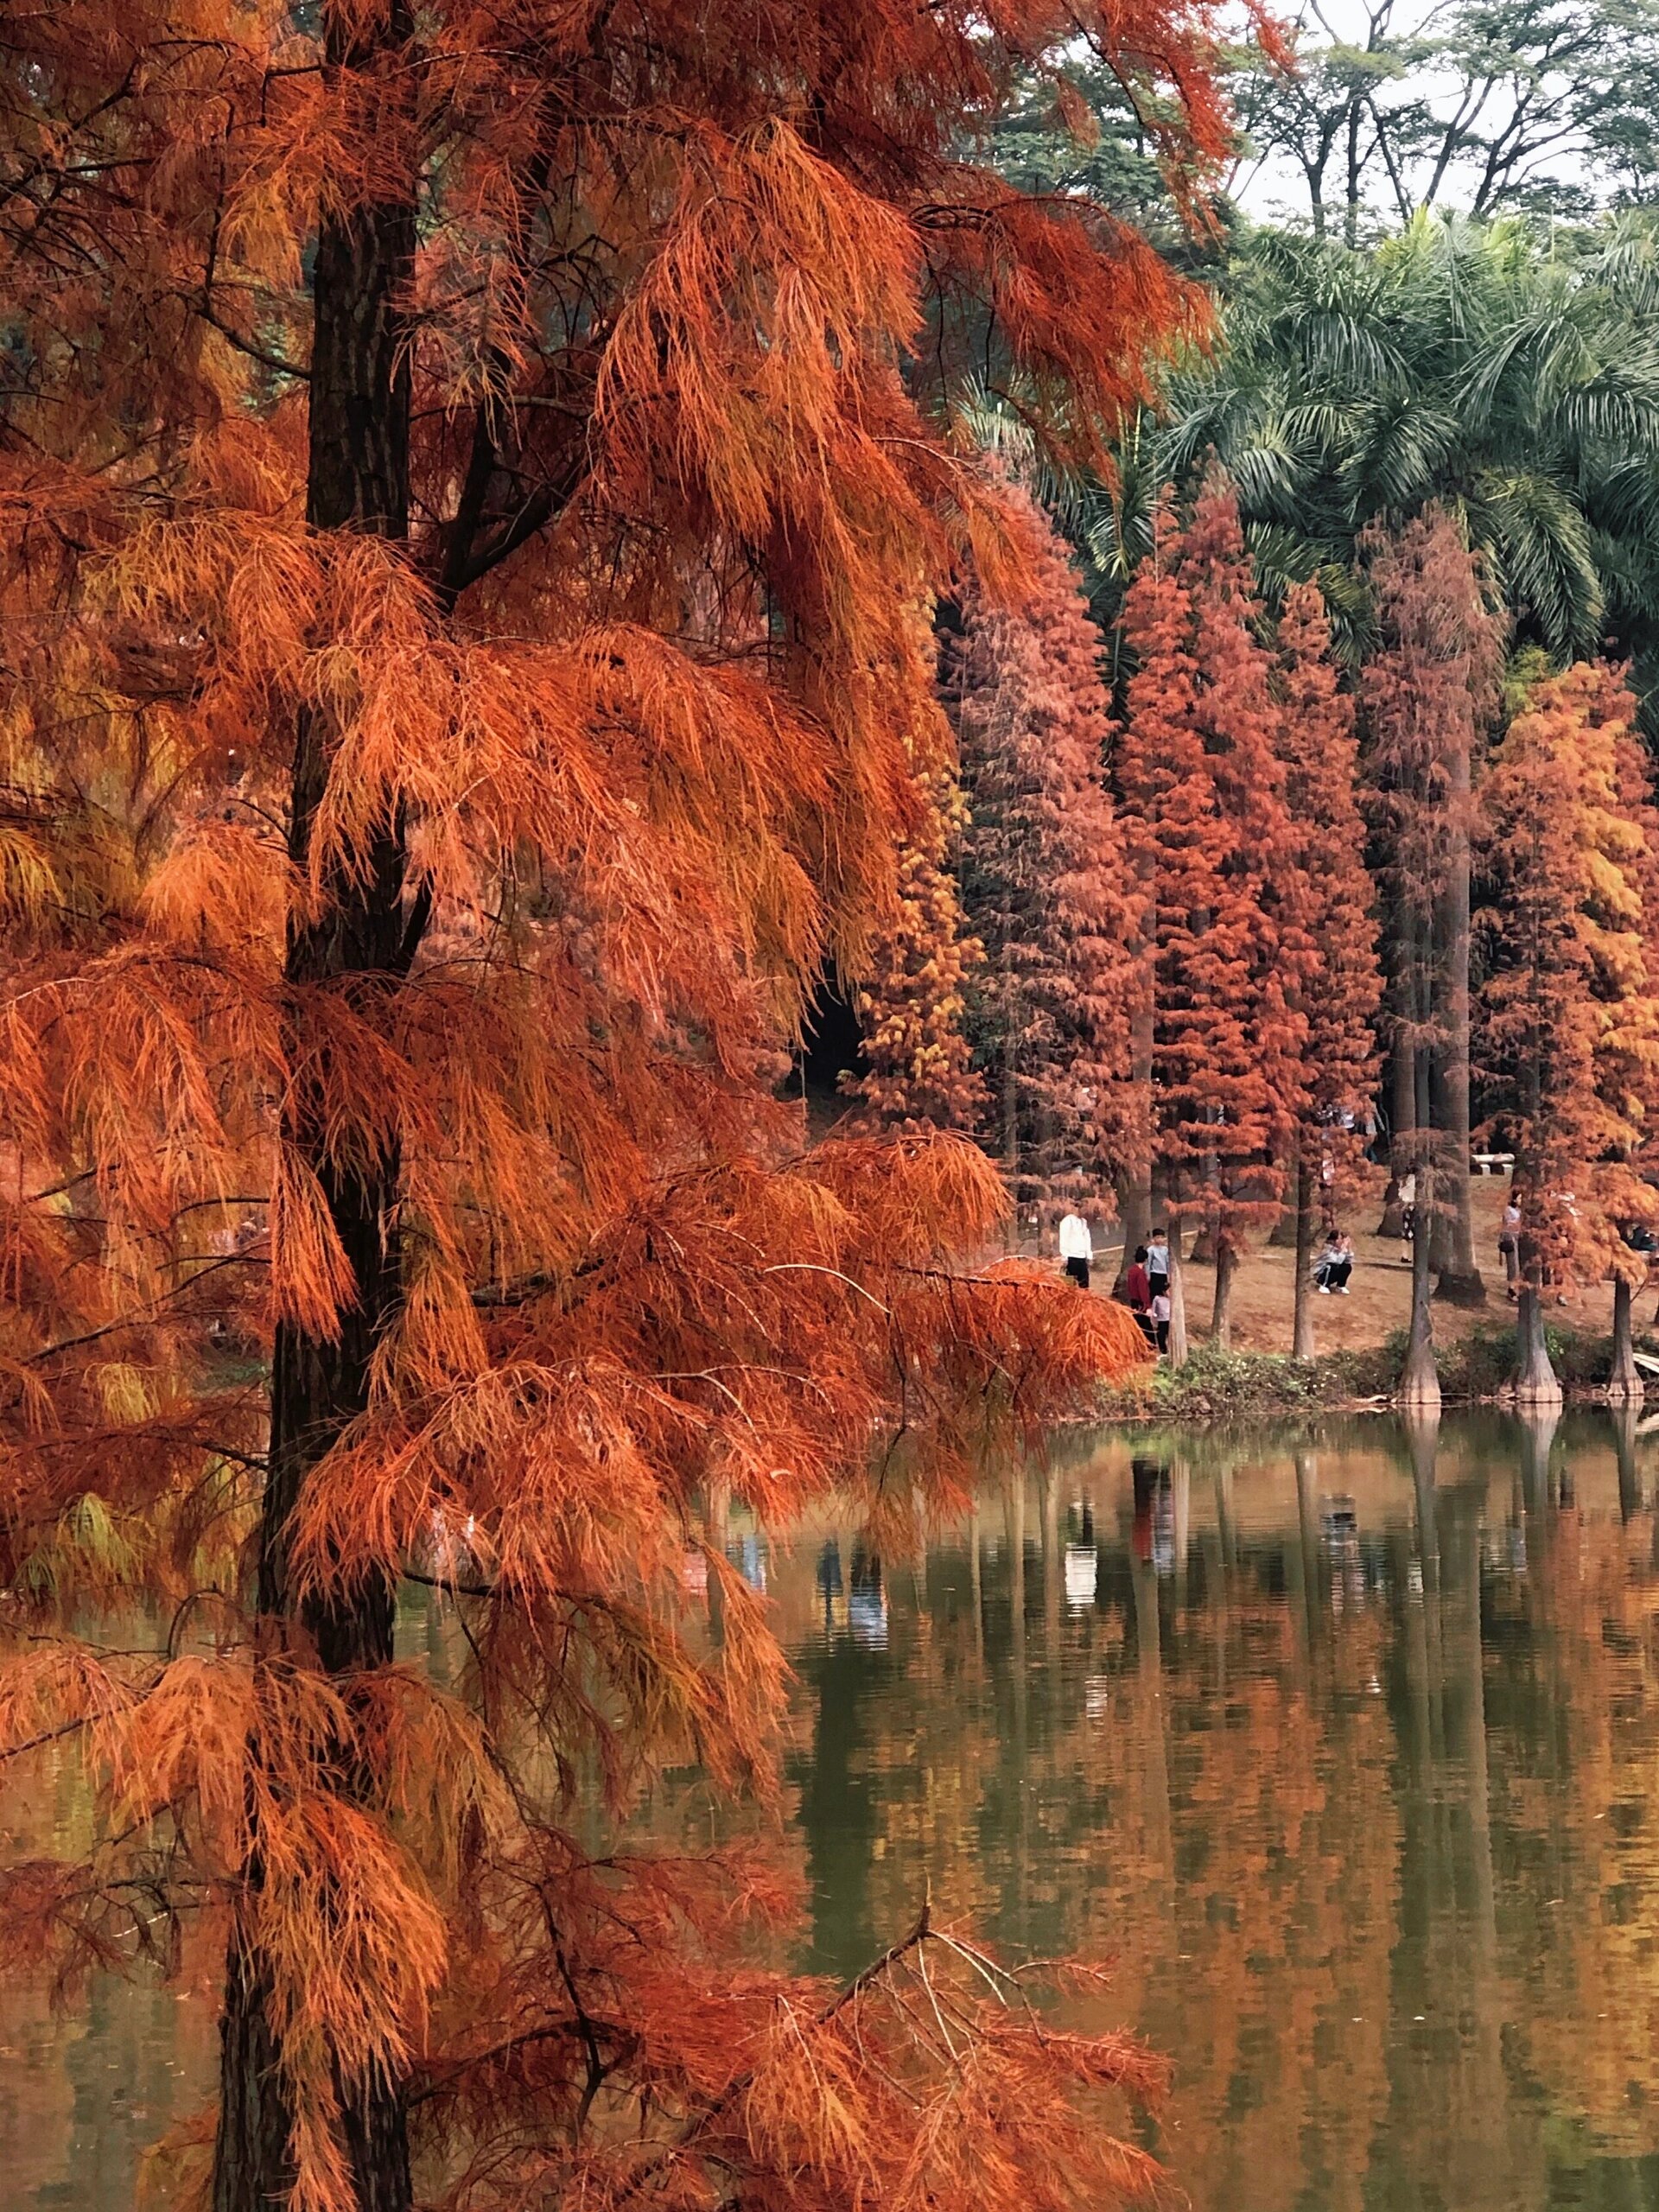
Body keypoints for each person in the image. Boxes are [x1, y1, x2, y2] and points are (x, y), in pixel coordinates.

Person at [1058, 1208, 1092, 1291]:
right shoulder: (1067, 1221)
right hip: (1071, 1257)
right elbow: (1063, 1239)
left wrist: (1089, 1255)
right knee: (1071, 1285)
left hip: (1082, 1257)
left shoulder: (1084, 1222)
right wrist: (1064, 1256)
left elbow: (1087, 1239)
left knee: (1084, 1284)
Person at [1313, 1230, 1352, 1294]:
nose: (1342, 1241)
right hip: (1321, 1274)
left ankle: (1340, 1285)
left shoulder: (1340, 1249)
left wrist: (1349, 1248)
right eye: (1340, 1239)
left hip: (1333, 1272)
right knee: (1331, 1266)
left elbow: (1348, 1261)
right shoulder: (1327, 1248)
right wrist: (1343, 1249)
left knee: (1347, 1266)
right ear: (1334, 1240)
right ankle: (1324, 1285)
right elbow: (1335, 1261)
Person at [1498, 1197, 1521, 1300]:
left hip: (1519, 1237)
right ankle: (1511, 1289)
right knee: (1513, 1264)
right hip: (1511, 1237)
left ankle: (1516, 1288)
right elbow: (1508, 1224)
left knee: (1519, 1265)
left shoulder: (1520, 1210)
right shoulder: (1509, 1210)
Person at [1123, 1245, 1152, 1313]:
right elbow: (1143, 1289)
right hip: (1140, 1302)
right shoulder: (1140, 1273)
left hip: (1133, 1299)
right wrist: (1147, 1305)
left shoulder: (1131, 1270)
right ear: (1145, 1260)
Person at [1396, 1170, 1416, 1265]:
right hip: (1411, 1208)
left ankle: (1405, 1256)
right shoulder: (1414, 1180)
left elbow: (1400, 1194)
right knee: (1409, 1234)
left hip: (1407, 1207)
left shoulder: (1404, 1181)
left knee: (1406, 1234)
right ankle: (1406, 1256)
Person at [1146, 1229, 1169, 1303]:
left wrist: (1168, 1274)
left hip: (1163, 1273)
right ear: (1154, 1239)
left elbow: (1167, 1262)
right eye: (1158, 1237)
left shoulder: (1165, 1249)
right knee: (1154, 1293)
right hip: (1155, 1273)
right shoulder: (1151, 1250)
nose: (1160, 1239)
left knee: (1162, 1293)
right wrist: (1148, 1274)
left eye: (1162, 1237)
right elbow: (1148, 1263)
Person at [1149, 1285, 1172, 1353]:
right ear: (1164, 1292)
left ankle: (1170, 1351)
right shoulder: (1157, 1299)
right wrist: (1154, 1320)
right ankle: (1163, 1351)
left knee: (1170, 1336)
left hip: (1170, 1320)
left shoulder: (1173, 1299)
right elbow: (1154, 1311)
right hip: (1161, 1320)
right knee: (1161, 1337)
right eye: (1169, 1291)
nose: (1171, 1293)